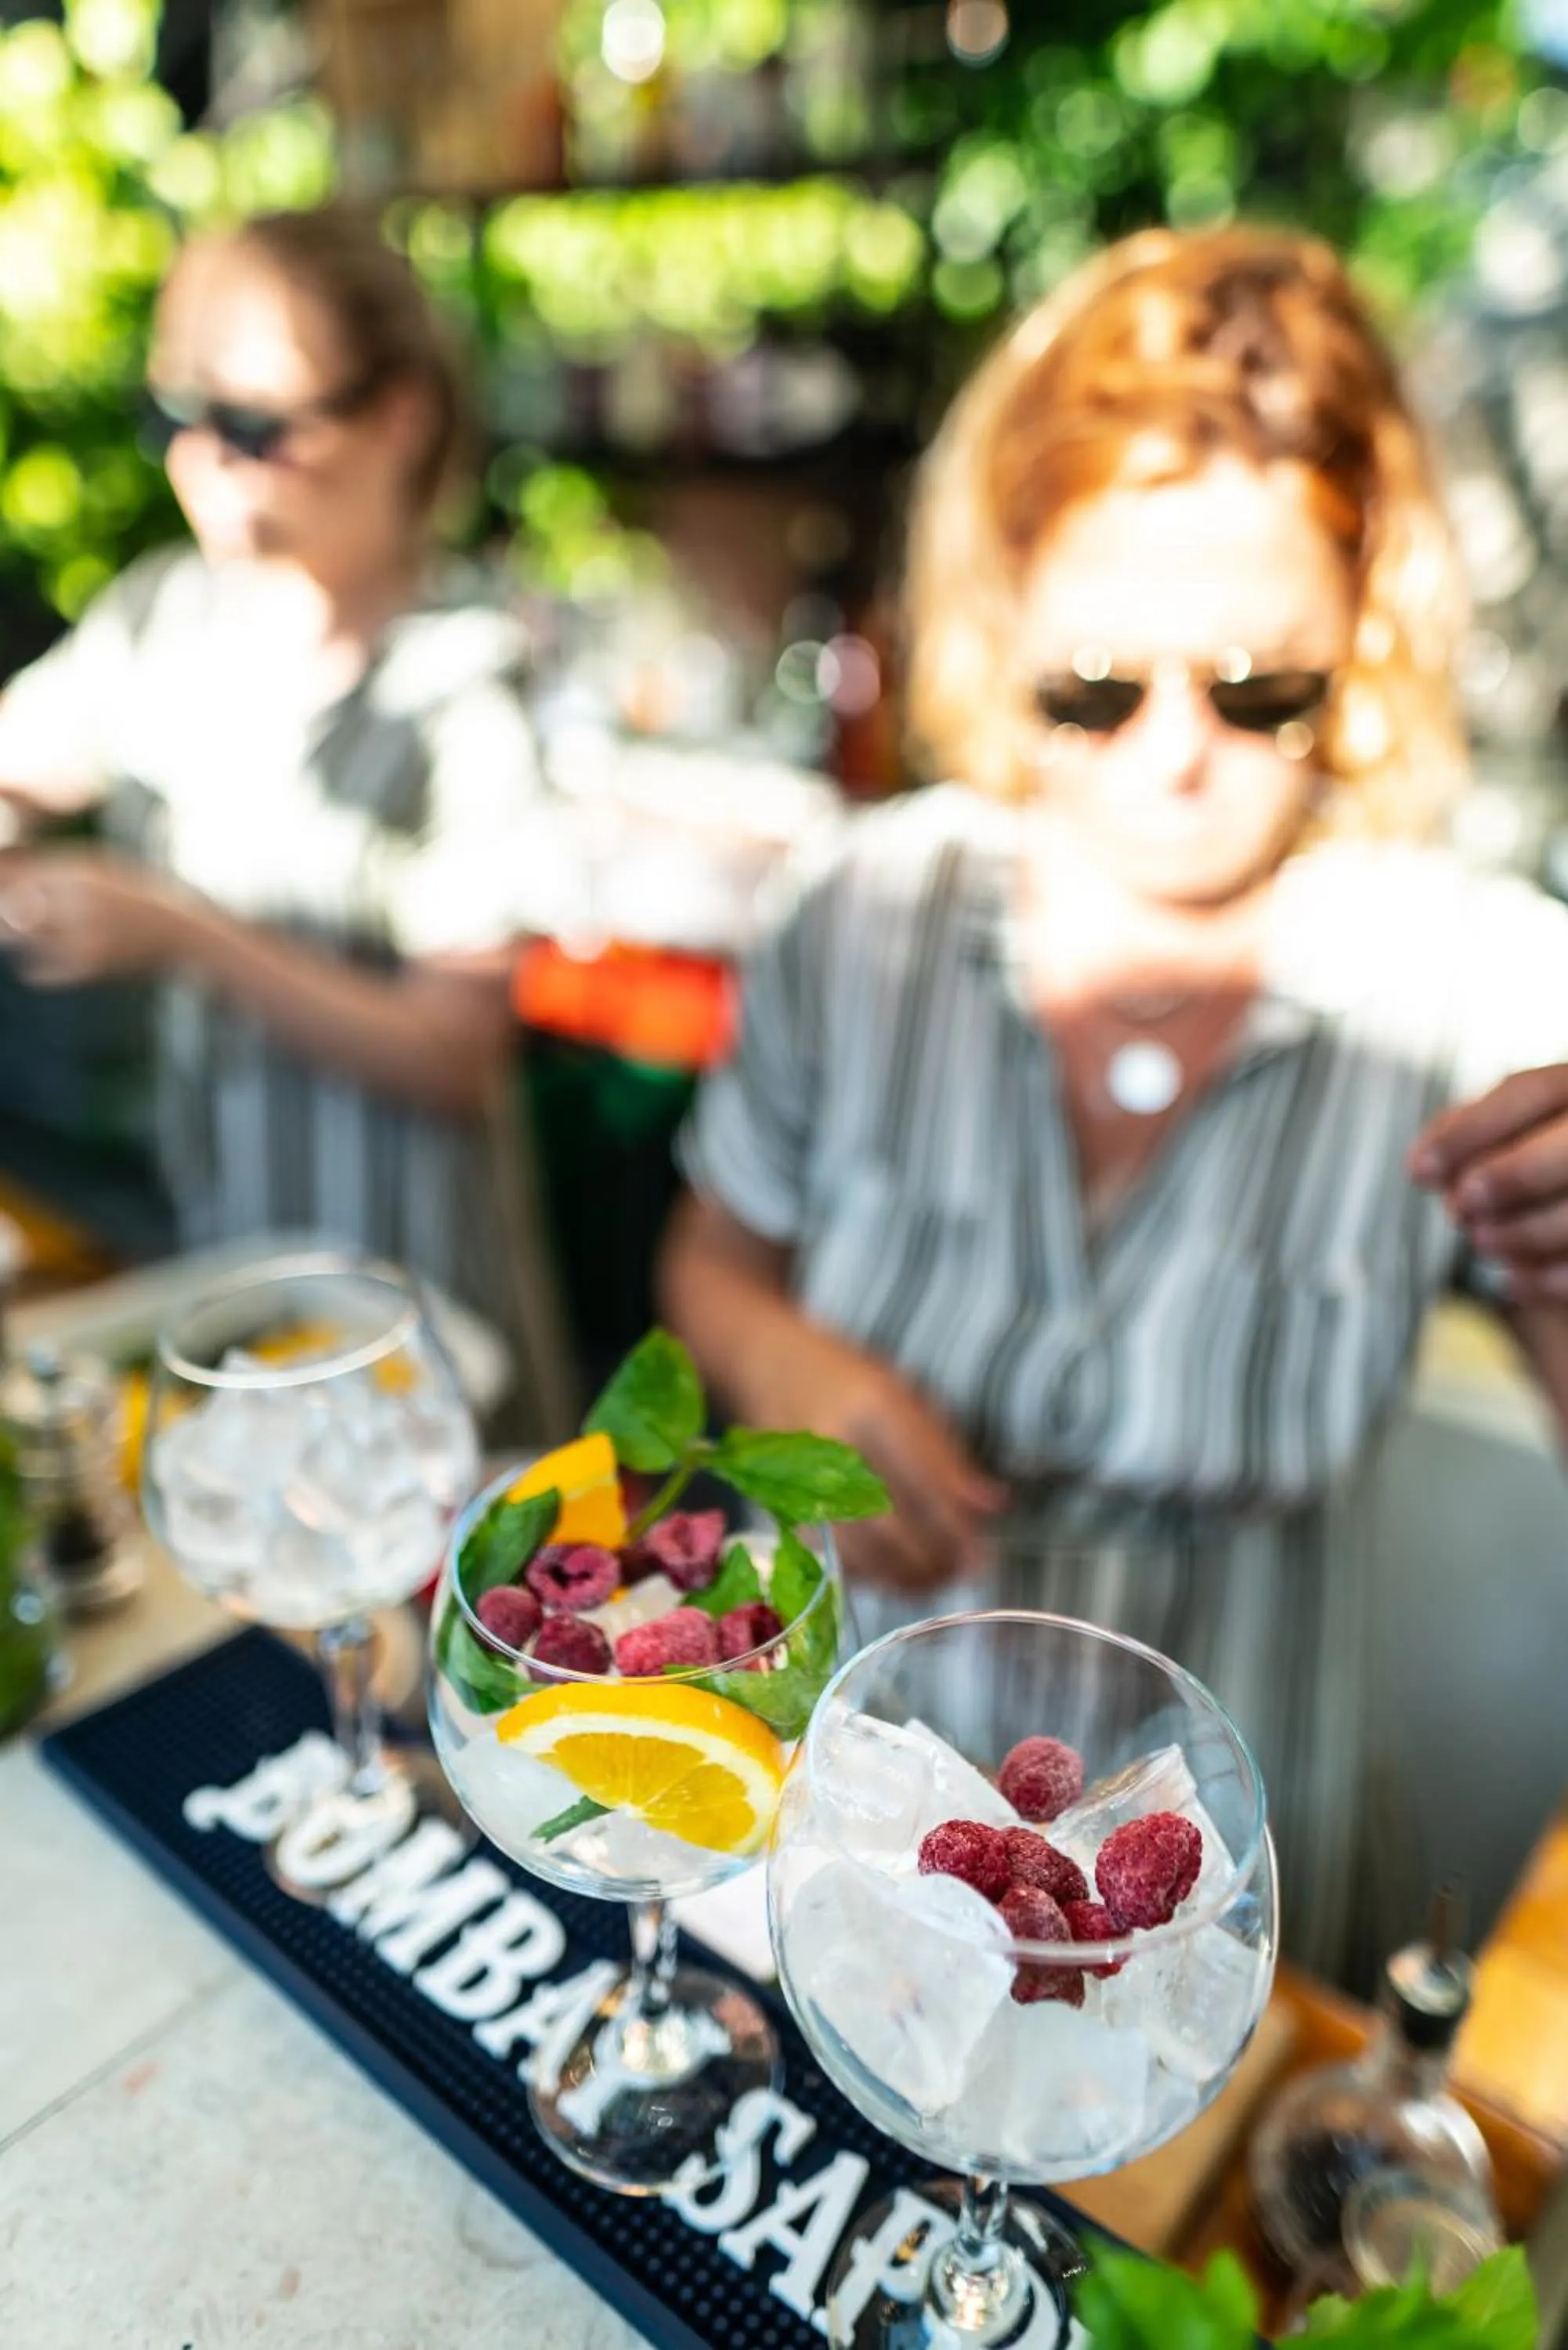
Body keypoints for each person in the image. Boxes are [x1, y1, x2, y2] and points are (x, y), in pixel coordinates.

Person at [659, 226, 1568, 1981]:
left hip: (1205, 1900)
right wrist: (792, 1368)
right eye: (1091, 683)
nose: (1168, 753)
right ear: (999, 608)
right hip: (843, 1831)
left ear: (1365, 619)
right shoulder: (862, 914)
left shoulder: (1479, 992)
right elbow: (710, 1264)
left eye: (1257, 687)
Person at [0, 204, 573, 1434]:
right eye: (174, 415)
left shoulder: (461, 686)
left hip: (417, 1334)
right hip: (230, 1302)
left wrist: (181, 932)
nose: (204, 458)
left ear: (399, 416)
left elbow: (451, 1053)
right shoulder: (167, 620)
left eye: (254, 425)